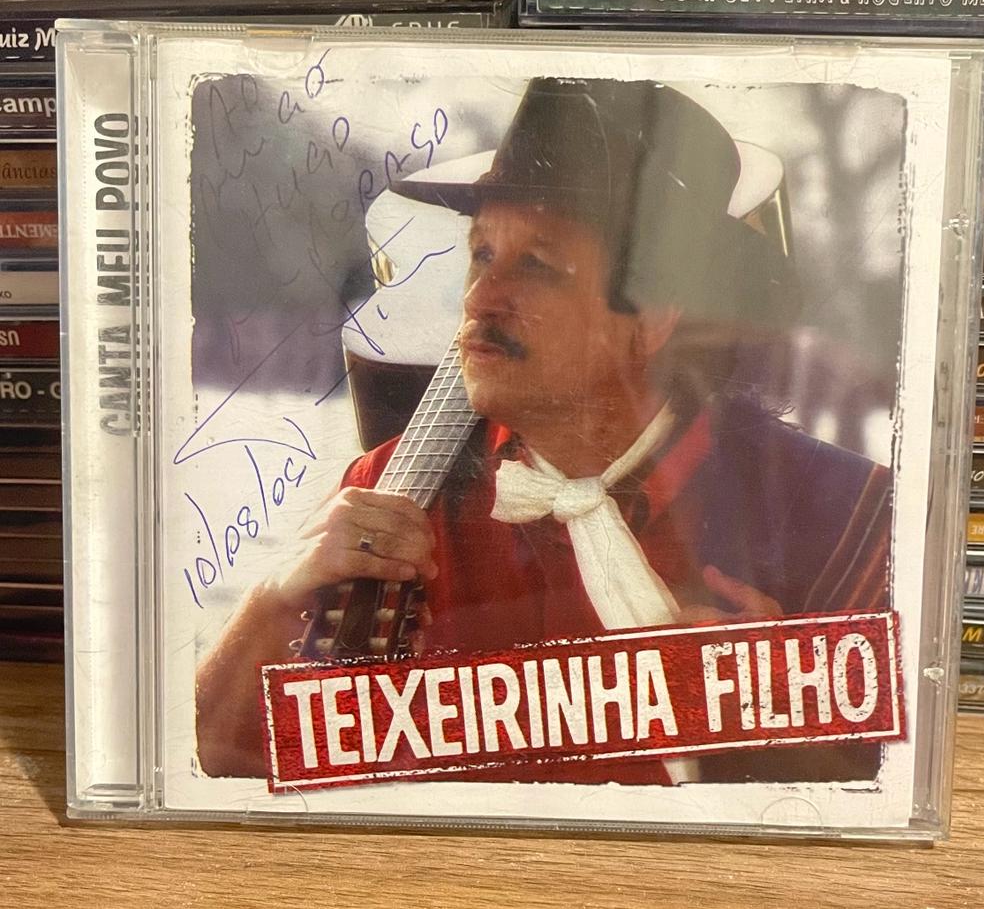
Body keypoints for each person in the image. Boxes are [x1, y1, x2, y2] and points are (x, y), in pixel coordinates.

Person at [196, 78, 892, 784]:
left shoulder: (844, 516)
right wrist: (273, 606)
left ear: (650, 319)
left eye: (536, 265)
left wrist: (789, 715)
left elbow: (894, 791)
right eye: (481, 255)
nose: (480, 298)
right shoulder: (388, 498)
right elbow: (219, 770)